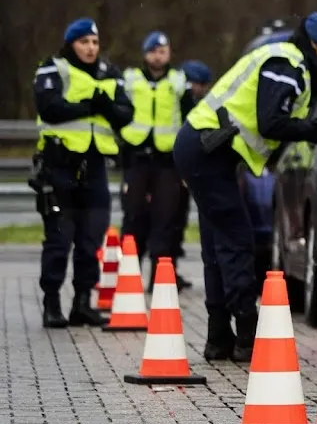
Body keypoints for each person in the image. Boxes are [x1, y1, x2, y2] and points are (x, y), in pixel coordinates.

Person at [173, 13, 317, 362]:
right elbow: (271, 122)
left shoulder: (290, 63)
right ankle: (246, 336)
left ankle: (220, 339)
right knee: (237, 240)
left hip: (205, 149)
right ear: (315, 45)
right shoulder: (286, 64)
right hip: (206, 150)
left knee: (218, 243)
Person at [33, 18, 134, 328]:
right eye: (84, 42)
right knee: (59, 239)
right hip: (60, 166)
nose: (91, 48)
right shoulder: (53, 68)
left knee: (91, 239)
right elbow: (49, 108)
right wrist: (93, 106)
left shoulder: (109, 73)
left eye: (94, 42)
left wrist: (101, 105)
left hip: (95, 168)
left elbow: (125, 115)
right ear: (71, 43)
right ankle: (52, 303)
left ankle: (82, 303)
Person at [119, 32, 193, 291]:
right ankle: (128, 278)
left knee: (166, 220)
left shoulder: (178, 81)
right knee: (134, 217)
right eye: (154, 51)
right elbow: (119, 113)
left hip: (167, 161)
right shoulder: (130, 80)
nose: (158, 55)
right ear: (145, 53)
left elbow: (188, 118)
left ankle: (160, 280)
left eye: (163, 50)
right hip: (137, 158)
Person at [170, 59, 214, 287]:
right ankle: (165, 272)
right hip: (171, 169)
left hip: (179, 168)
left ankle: (171, 270)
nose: (203, 90)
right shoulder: (184, 102)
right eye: (201, 85)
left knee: (177, 221)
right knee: (170, 221)